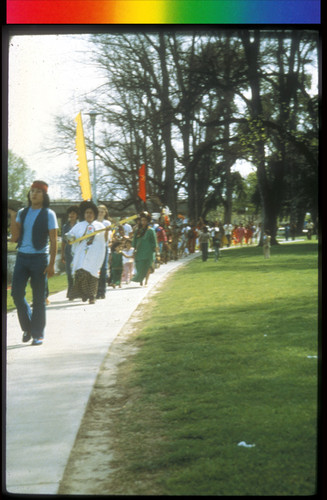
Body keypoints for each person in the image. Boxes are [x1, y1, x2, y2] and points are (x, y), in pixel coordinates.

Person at [9, 180, 58, 345]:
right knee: (16, 294)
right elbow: (15, 237)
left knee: (38, 298)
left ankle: (38, 334)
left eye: (38, 191)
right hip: (22, 257)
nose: (34, 194)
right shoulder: (22, 212)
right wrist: (13, 216)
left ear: (44, 195)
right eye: (32, 191)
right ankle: (28, 327)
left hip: (39, 259)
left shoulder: (49, 214)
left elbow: (53, 240)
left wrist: (51, 265)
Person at [65, 201, 109, 304]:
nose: (89, 215)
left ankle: (91, 296)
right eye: (87, 213)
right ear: (84, 214)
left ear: (94, 214)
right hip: (81, 254)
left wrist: (106, 231)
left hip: (94, 254)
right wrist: (70, 237)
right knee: (81, 273)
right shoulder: (79, 225)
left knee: (92, 274)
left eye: (91, 213)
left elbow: (105, 240)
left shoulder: (99, 225)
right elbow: (70, 237)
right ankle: (84, 293)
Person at [132, 211, 158, 286]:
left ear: (148, 221)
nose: (143, 222)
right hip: (139, 252)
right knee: (139, 266)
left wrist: (157, 253)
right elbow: (134, 241)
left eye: (145, 220)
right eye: (142, 220)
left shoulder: (151, 230)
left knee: (147, 267)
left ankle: (146, 281)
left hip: (148, 252)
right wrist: (133, 250)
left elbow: (154, 242)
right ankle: (140, 279)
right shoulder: (137, 231)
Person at [61, 205, 79, 300]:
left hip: (78, 251)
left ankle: (78, 291)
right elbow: (63, 241)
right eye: (70, 213)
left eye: (74, 213)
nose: (71, 215)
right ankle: (71, 291)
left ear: (77, 215)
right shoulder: (65, 226)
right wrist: (62, 254)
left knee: (78, 272)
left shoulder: (80, 225)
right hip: (68, 252)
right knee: (69, 272)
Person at [96, 204, 111, 299]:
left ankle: (102, 290)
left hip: (104, 248)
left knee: (104, 269)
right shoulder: (93, 222)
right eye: (99, 211)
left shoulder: (107, 223)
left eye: (102, 211)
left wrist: (106, 232)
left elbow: (107, 240)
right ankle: (96, 291)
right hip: (95, 248)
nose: (100, 213)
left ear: (105, 213)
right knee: (95, 269)